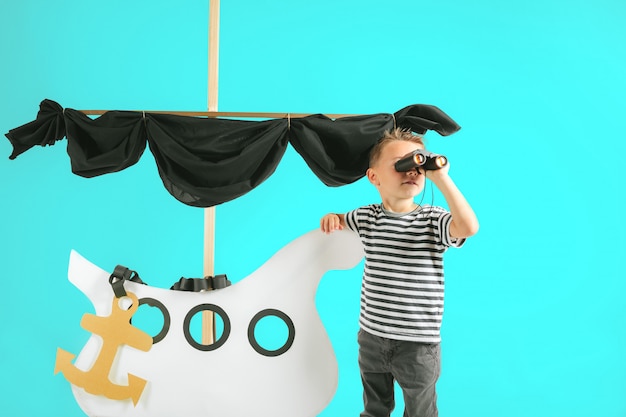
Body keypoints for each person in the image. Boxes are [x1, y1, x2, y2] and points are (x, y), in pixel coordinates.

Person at [320, 128, 479, 417]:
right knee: (374, 408)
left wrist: (441, 177)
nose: (412, 172)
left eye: (418, 166)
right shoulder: (367, 217)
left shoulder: (433, 219)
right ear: (374, 177)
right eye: (401, 165)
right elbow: (341, 220)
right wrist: (333, 217)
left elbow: (468, 227)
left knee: (420, 411)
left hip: (417, 343)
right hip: (371, 335)